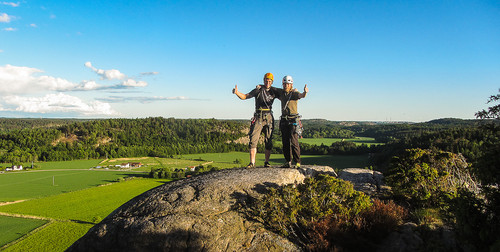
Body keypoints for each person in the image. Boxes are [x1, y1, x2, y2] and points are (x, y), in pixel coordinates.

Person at [232, 73, 277, 168]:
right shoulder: (258, 90)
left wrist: (295, 91)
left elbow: (286, 93)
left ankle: (266, 162)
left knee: (268, 140)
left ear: (272, 82)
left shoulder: (275, 91)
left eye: (269, 81)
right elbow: (245, 96)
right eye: (266, 80)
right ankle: (252, 162)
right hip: (259, 116)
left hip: (269, 116)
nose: (267, 82)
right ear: (264, 80)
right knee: (253, 139)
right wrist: (237, 93)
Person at [275, 75, 308, 168]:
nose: (286, 85)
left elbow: (301, 95)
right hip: (284, 120)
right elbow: (270, 88)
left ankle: (297, 162)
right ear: (283, 84)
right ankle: (288, 161)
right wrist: (260, 86)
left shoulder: (294, 93)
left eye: (288, 84)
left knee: (294, 142)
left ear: (291, 84)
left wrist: (305, 92)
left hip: (293, 119)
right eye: (285, 84)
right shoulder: (281, 93)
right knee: (285, 142)